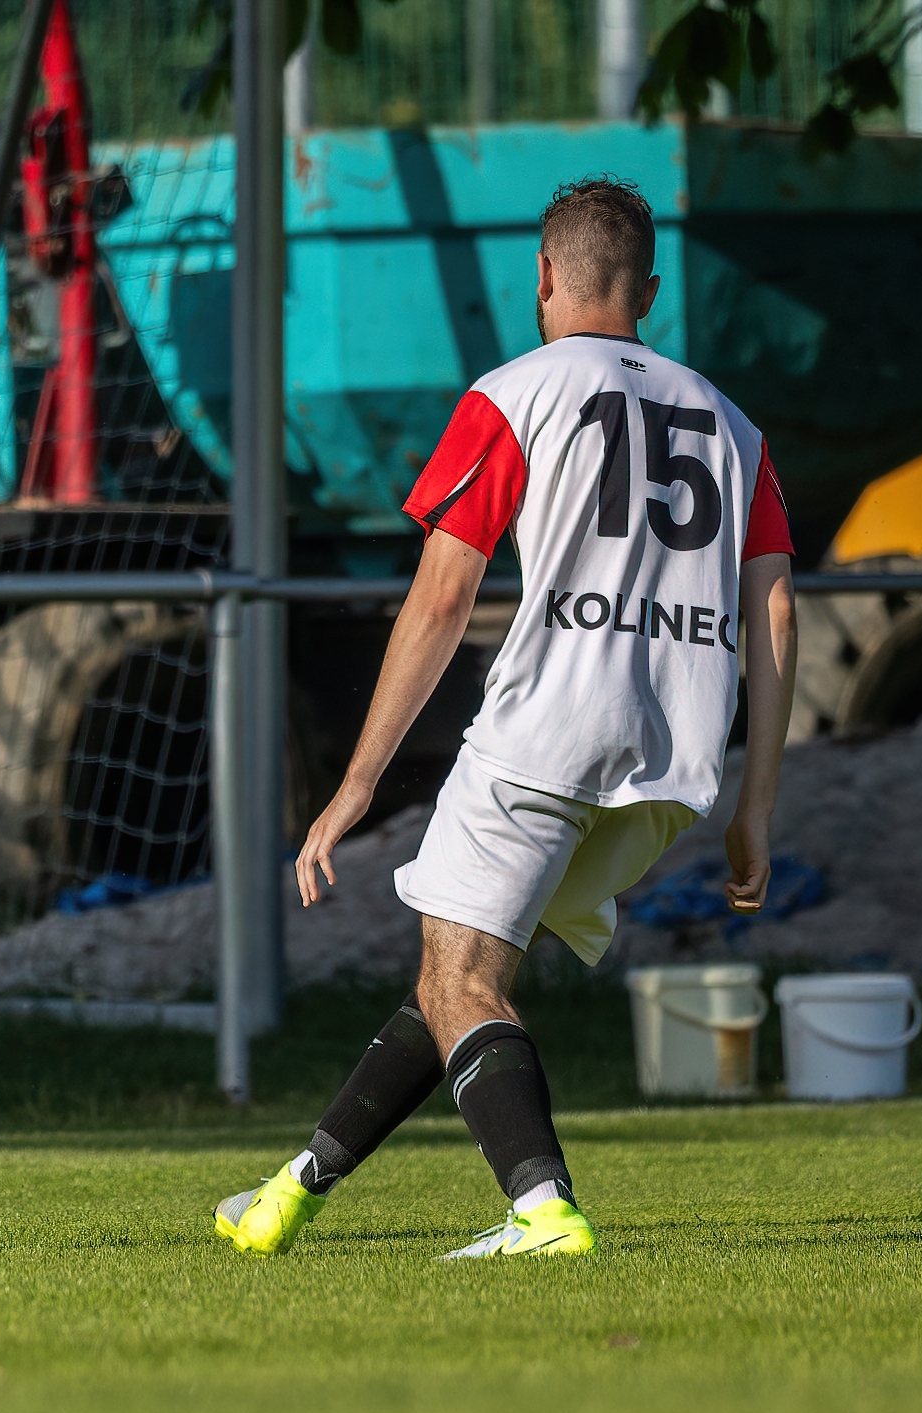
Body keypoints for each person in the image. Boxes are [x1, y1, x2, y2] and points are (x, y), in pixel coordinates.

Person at [213, 177, 800, 1260]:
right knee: (458, 965)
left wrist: (354, 782)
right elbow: (773, 607)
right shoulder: (733, 423)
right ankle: (289, 1193)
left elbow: (441, 600)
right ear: (651, 292)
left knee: (463, 977)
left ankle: (543, 1209)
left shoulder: (514, 394)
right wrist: (754, 804)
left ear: (541, 277)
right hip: (673, 760)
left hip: (549, 733)